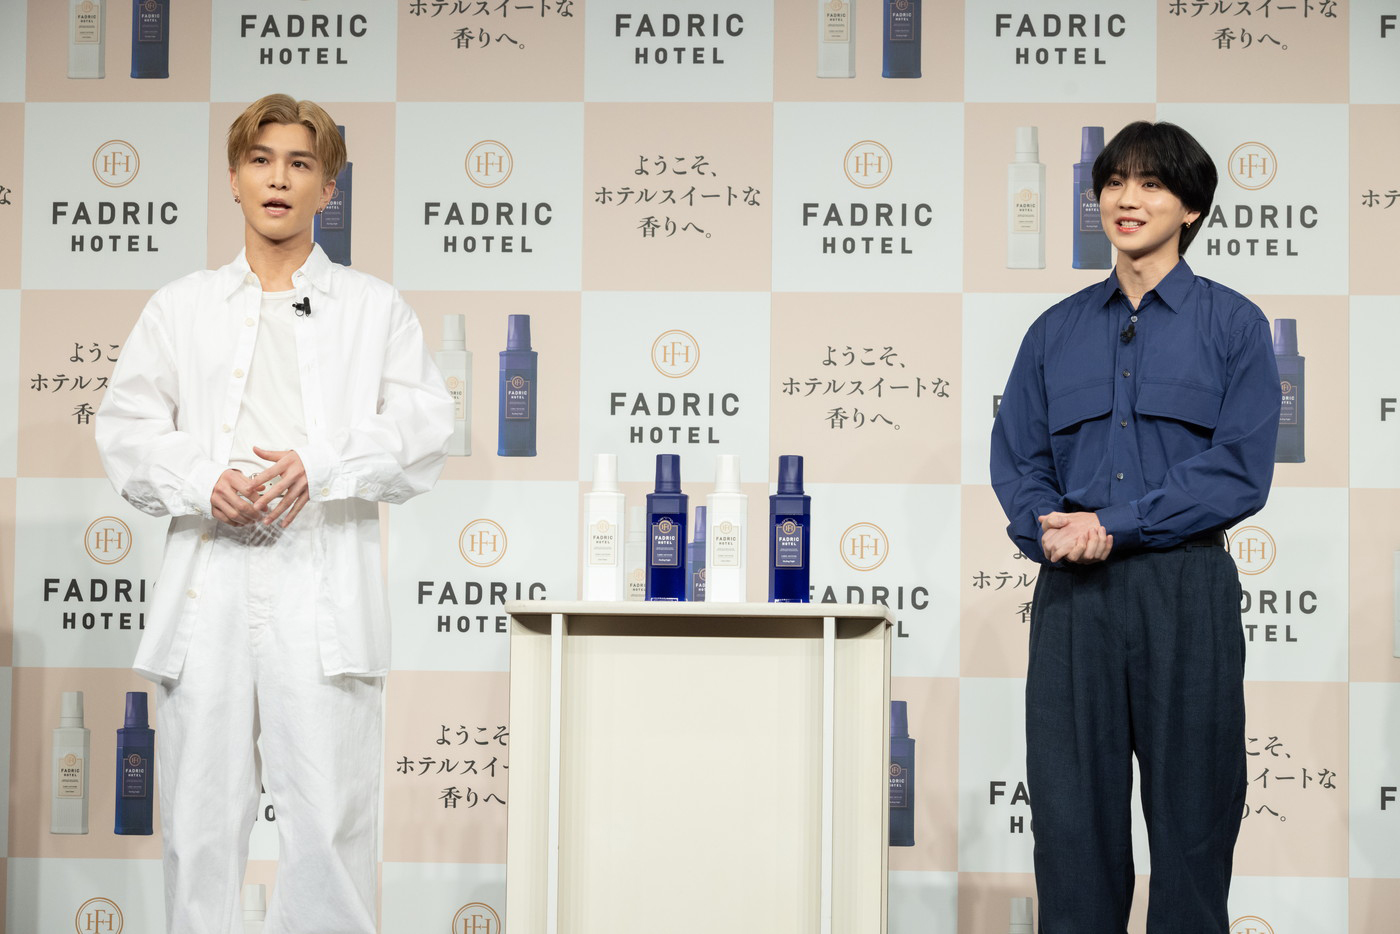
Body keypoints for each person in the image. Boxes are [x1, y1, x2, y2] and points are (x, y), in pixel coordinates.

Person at [96, 94, 453, 934]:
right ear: (234, 179)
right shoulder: (182, 306)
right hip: (209, 579)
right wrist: (202, 480)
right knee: (199, 826)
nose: (278, 179)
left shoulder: (373, 307)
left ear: (329, 188)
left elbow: (425, 429)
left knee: (330, 823)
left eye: (299, 163)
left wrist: (322, 466)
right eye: (261, 161)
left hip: (322, 580)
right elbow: (125, 428)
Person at [990, 121, 1280, 933]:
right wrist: (1051, 530)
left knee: (1193, 826)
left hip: (1184, 588)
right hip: (1073, 598)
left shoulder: (1234, 326)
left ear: (1190, 208)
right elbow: (1018, 458)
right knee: (1070, 827)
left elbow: (1238, 471)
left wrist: (1113, 525)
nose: (1127, 198)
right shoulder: (1054, 331)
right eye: (1115, 181)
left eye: (1152, 183)